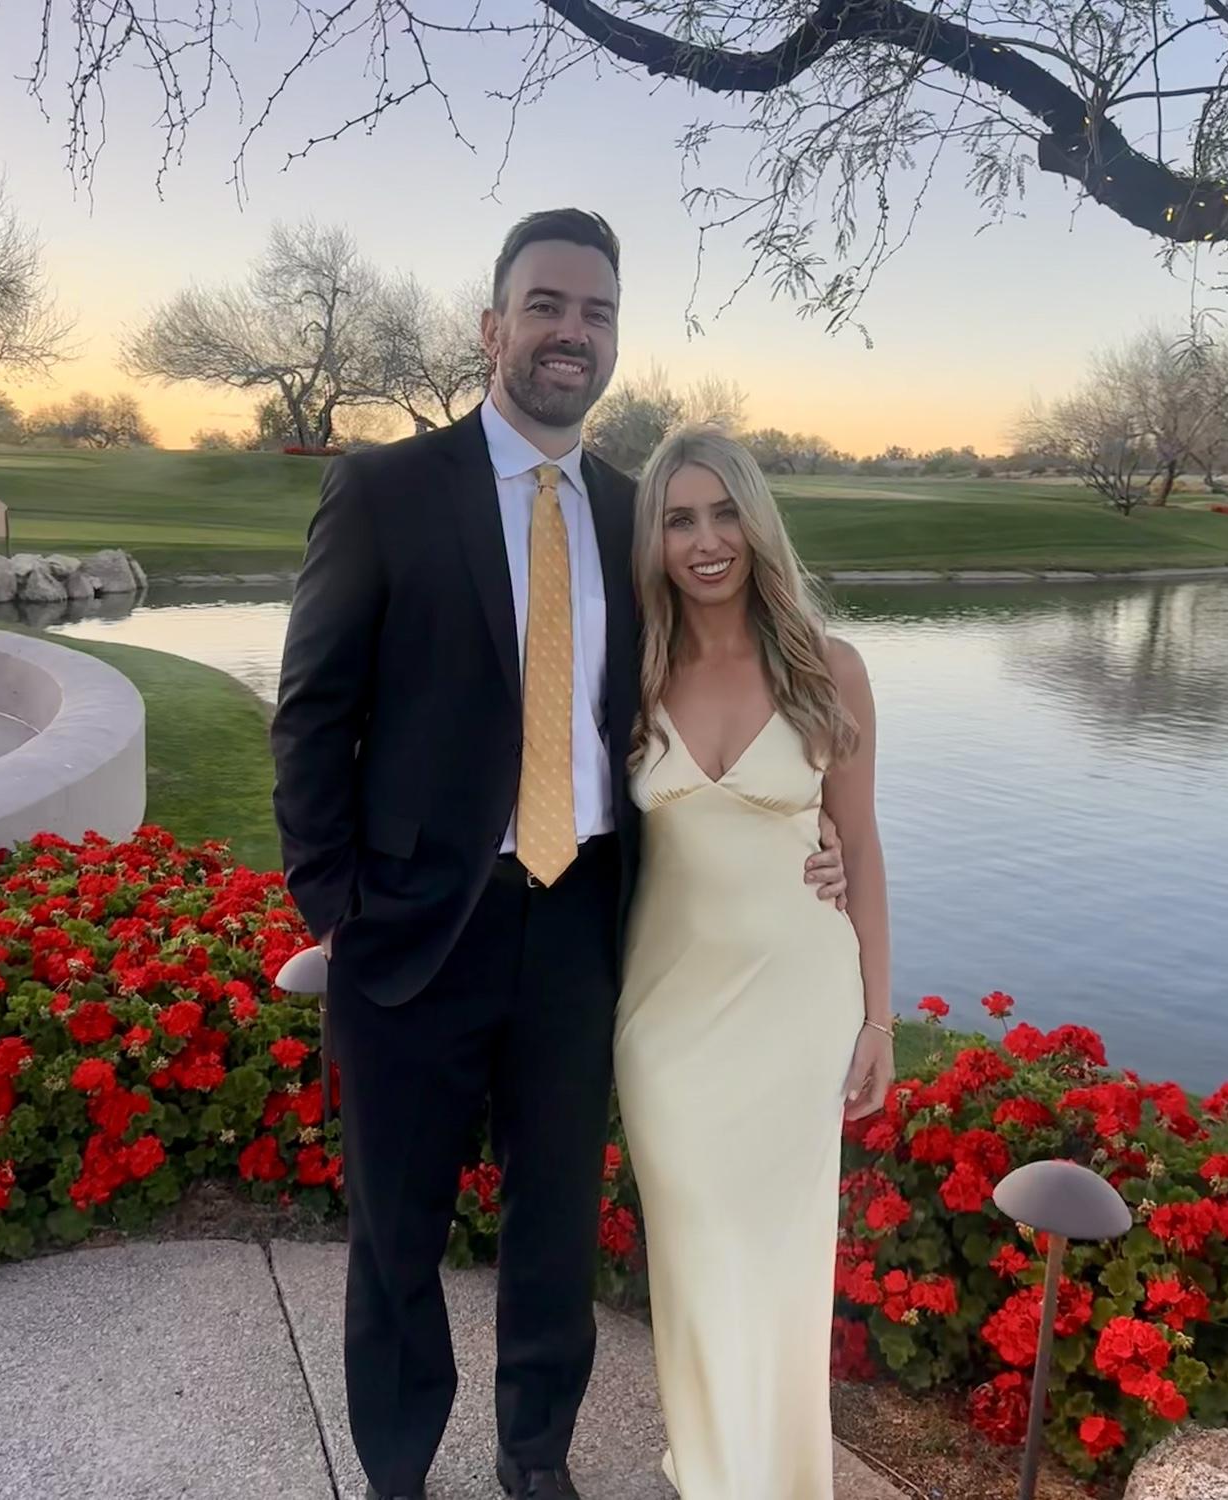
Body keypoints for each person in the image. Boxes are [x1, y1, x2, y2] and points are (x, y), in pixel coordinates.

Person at [269, 209, 847, 1500]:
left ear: (616, 339)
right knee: (398, 1229)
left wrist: (814, 838)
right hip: (415, 922)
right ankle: (398, 1470)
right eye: (546, 305)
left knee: (555, 1230)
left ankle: (536, 1459)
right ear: (493, 328)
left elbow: (738, 681)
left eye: (596, 312)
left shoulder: (641, 518)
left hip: (583, 922)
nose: (570, 332)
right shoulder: (385, 492)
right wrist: (336, 904)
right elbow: (310, 713)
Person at [614, 427, 894, 1499]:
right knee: (694, 1259)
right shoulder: (632, 670)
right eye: (680, 519)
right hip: (667, 1022)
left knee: (781, 1265)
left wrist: (878, 1019)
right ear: (656, 539)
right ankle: (712, 1467)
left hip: (798, 1009)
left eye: (725, 513)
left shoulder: (830, 668)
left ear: (757, 523)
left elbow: (861, 847)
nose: (706, 541)